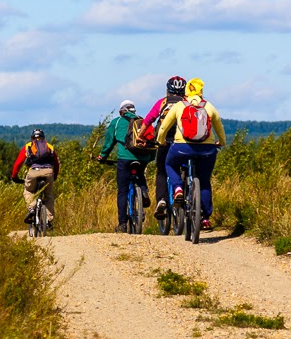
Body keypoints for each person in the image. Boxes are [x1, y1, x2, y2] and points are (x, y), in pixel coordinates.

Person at [156, 77, 226, 231]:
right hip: (207, 149)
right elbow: (219, 128)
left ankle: (178, 189)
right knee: (205, 181)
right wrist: (221, 142)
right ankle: (205, 218)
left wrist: (161, 140)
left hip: (182, 147)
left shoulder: (180, 105)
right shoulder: (209, 106)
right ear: (201, 91)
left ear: (186, 91)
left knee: (169, 164)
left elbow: (164, 126)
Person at [97, 100, 155, 233]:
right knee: (140, 175)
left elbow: (109, 142)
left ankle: (122, 224)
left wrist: (103, 156)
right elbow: (152, 141)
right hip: (143, 158)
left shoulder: (117, 122)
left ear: (121, 111)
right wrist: (150, 158)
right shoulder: (143, 121)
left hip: (125, 159)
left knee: (122, 191)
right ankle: (143, 191)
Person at [142, 75, 187, 219]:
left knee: (162, 171)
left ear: (168, 90)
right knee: (183, 168)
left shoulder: (162, 103)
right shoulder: (187, 103)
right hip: (183, 142)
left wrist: (140, 136)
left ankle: (162, 199)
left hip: (165, 142)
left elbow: (148, 120)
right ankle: (186, 194)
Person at [10, 128, 60, 228]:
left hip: (33, 172)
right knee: (48, 195)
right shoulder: (49, 146)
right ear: (43, 137)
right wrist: (54, 176)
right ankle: (49, 220)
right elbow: (56, 163)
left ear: (32, 137)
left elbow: (18, 163)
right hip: (48, 172)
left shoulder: (28, 146)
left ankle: (32, 209)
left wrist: (14, 176)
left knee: (28, 191)